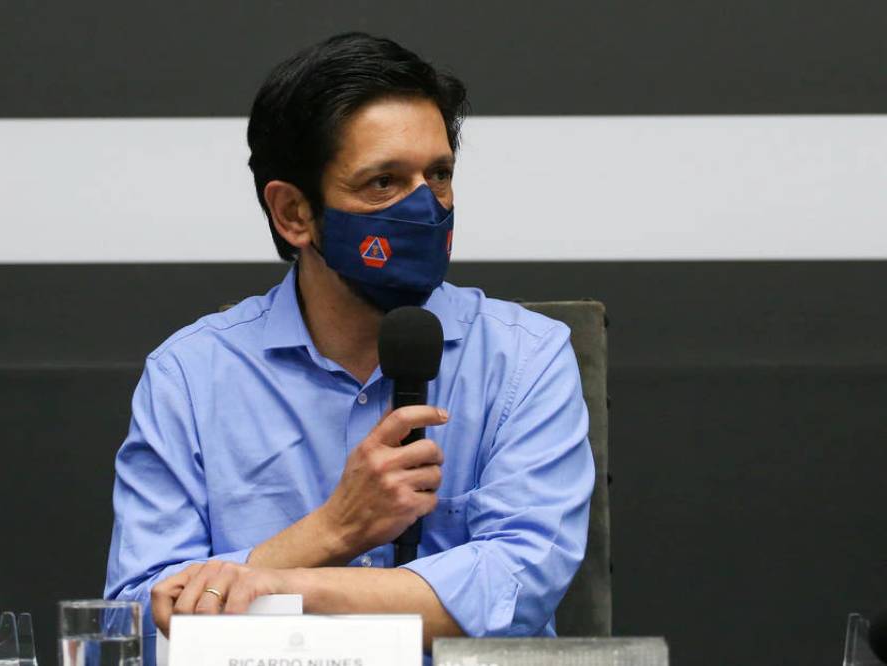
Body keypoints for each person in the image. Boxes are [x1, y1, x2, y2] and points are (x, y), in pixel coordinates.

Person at [104, 31, 595, 663]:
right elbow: (137, 626)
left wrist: (280, 585)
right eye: (383, 183)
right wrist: (332, 531)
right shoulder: (190, 377)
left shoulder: (526, 358)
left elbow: (517, 587)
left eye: (438, 175)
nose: (426, 208)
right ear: (294, 213)